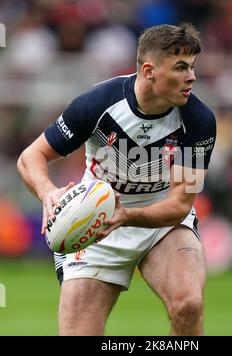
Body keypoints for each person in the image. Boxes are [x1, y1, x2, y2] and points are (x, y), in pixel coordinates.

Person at [17, 23, 216, 336]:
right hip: (96, 222)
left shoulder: (199, 121)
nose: (192, 77)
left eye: (192, 67)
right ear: (149, 71)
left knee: (188, 304)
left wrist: (127, 216)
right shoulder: (97, 104)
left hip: (161, 220)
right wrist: (48, 193)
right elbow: (31, 156)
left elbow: (180, 203)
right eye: (180, 68)